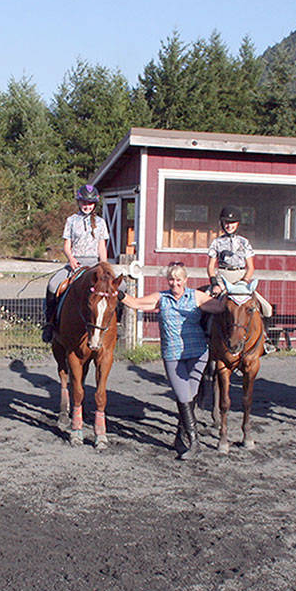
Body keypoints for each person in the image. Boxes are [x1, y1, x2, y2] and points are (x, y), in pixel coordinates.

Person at [120, 263, 224, 460]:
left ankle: (180, 437)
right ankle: (195, 443)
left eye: (178, 280)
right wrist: (118, 295)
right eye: (171, 280)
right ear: (168, 281)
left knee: (190, 396)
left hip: (198, 353)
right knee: (183, 396)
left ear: (185, 280)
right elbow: (136, 303)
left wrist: (228, 293)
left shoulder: (196, 296)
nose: (175, 284)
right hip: (173, 354)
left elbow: (219, 308)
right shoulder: (162, 298)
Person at [43, 184, 110, 342]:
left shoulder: (100, 222)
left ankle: (114, 323)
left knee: (120, 287)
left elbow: (102, 247)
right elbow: (67, 245)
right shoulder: (71, 220)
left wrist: (104, 266)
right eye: (84, 202)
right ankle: (50, 324)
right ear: (79, 202)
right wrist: (71, 259)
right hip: (75, 263)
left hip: (95, 264)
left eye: (90, 203)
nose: (87, 206)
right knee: (53, 284)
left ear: (95, 204)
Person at [206, 206, 272, 318]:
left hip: (240, 278)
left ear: (237, 224)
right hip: (222, 278)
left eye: (232, 222)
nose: (229, 225)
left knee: (267, 309)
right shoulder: (217, 242)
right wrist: (214, 283)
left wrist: (245, 281)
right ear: (222, 223)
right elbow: (210, 267)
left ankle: (263, 334)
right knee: (203, 306)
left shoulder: (244, 242)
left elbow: (250, 267)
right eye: (226, 222)